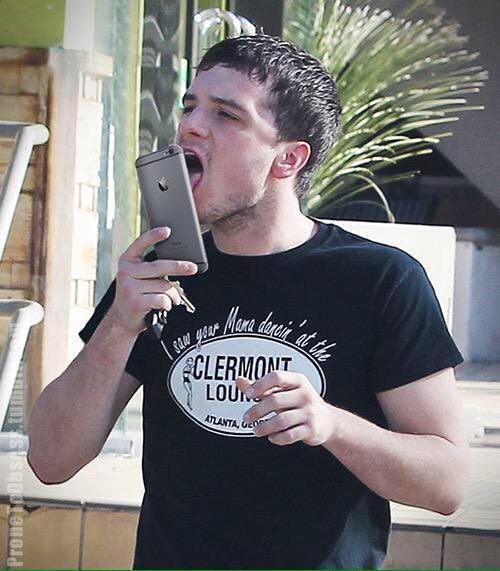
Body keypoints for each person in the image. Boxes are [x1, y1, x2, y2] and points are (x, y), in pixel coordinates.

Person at [27, 35, 468, 569]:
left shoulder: (379, 279)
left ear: (288, 158)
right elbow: (49, 461)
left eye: (227, 114)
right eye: (190, 106)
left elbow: (446, 484)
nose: (190, 126)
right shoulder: (157, 275)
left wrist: (332, 425)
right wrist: (118, 326)